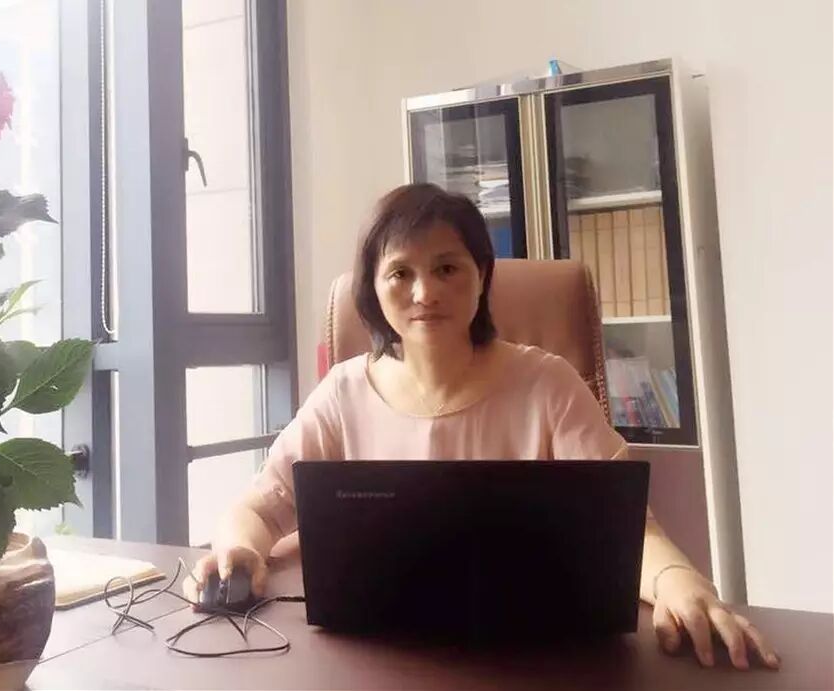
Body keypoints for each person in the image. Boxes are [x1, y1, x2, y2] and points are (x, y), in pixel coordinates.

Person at [185, 183, 779, 671]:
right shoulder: (343, 393)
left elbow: (628, 529)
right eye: (400, 273)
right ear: (373, 287)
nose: (425, 293)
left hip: (541, 657)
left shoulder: (548, 384)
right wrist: (237, 550)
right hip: (374, 658)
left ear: (482, 274)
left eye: (447, 268)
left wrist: (678, 581)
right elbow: (260, 508)